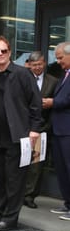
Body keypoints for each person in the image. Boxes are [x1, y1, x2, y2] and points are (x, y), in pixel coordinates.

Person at [0, 36, 42, 231]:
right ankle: (1, 213)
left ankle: (10, 218)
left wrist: (35, 128)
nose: (0, 54)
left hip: (18, 135)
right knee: (0, 177)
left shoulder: (22, 74)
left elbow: (36, 103)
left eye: (3, 51)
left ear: (10, 52)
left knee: (14, 178)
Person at [23, 52, 58, 209]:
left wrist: (51, 103)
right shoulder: (22, 78)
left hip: (42, 128)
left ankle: (29, 196)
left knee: (36, 164)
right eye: (34, 64)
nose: (37, 67)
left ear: (44, 63)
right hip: (22, 127)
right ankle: (17, 194)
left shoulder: (54, 82)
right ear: (29, 64)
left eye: (40, 64)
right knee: (20, 162)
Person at [49, 42, 70, 220]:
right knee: (62, 169)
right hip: (58, 129)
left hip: (68, 131)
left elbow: (65, 100)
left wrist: (52, 103)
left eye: (60, 58)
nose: (58, 62)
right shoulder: (64, 74)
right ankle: (68, 203)